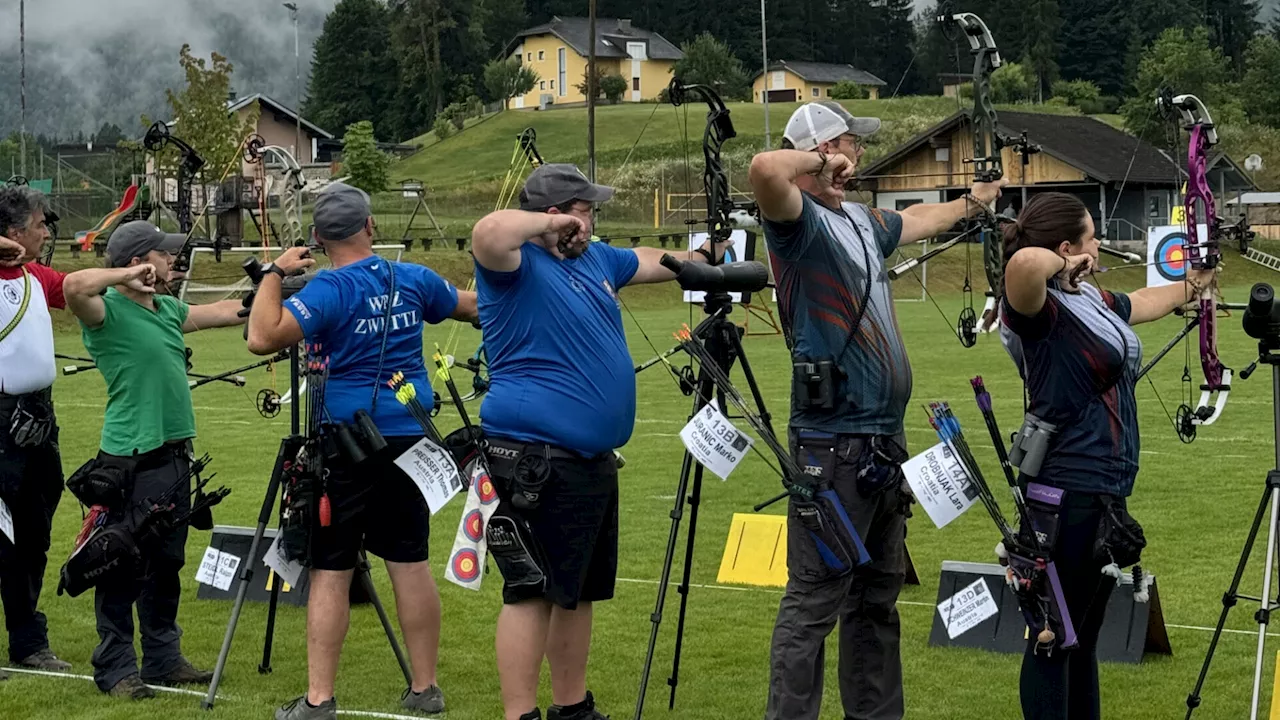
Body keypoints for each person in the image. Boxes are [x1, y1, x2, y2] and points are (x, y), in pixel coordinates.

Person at [747, 101, 1005, 720]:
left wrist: (975, 202)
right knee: (814, 601)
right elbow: (762, 170)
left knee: (875, 599)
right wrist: (818, 159)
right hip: (831, 445)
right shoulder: (797, 223)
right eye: (847, 145)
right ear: (818, 150)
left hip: (882, 444)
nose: (856, 155)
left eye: (854, 147)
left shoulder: (862, 222)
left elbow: (919, 218)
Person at [469, 163, 728, 720]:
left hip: (587, 459)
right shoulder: (512, 264)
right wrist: (551, 225)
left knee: (577, 591)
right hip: (534, 456)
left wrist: (703, 255)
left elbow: (652, 259)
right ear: (555, 212)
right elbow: (488, 232)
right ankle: (520, 714)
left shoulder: (595, 259)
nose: (592, 220)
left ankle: (572, 707)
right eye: (584, 209)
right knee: (531, 590)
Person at [245, 182, 478, 720]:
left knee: (332, 570)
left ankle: (320, 700)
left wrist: (276, 273)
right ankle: (426, 687)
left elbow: (262, 336)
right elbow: (470, 307)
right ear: (370, 227)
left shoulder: (329, 290)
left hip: (346, 445)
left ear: (322, 241)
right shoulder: (414, 278)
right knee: (409, 561)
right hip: (411, 438)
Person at [999, 192, 1203, 720]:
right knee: (1052, 636)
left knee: (1081, 639)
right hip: (1063, 490)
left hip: (1102, 486)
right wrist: (1066, 263)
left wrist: (1194, 283)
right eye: (1091, 238)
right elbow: (1023, 263)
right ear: (1068, 248)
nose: (1099, 248)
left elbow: (1142, 302)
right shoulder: (1037, 310)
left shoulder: (1086, 299)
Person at [63, 220, 248, 699]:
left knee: (165, 563)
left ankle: (164, 659)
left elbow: (225, 312)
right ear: (138, 262)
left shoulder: (166, 308)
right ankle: (116, 667)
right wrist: (125, 277)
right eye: (162, 255)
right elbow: (73, 284)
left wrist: (272, 278)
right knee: (122, 562)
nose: (171, 261)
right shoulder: (105, 314)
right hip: (130, 460)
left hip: (174, 458)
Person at [0, 186, 74, 679]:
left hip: (37, 419)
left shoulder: (35, 276)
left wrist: (131, 273)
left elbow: (78, 286)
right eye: (39, 225)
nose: (46, 232)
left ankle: (28, 641)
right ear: (12, 232)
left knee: (33, 532)